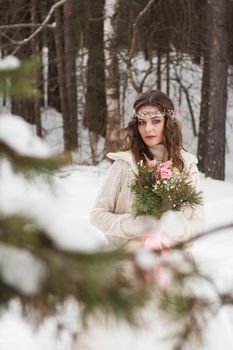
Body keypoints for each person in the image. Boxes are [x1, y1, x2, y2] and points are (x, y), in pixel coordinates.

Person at [90, 89, 205, 248]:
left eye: (156, 121)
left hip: (175, 265)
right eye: (142, 122)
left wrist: (179, 228)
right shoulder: (125, 163)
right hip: (130, 262)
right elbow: (97, 215)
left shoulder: (186, 165)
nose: (148, 129)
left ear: (168, 122)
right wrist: (131, 225)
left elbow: (199, 223)